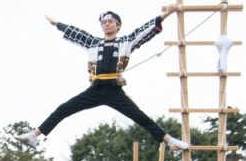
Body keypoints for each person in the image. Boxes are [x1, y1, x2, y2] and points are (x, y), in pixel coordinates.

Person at [16, 9, 188, 151]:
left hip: (114, 91)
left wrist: (164, 15)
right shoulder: (93, 43)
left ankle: (169, 140)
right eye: (104, 22)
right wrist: (57, 24)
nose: (107, 24)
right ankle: (34, 135)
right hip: (95, 90)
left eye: (110, 21)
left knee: (140, 117)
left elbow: (143, 30)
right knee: (63, 109)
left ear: (117, 25)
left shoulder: (126, 42)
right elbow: (77, 33)